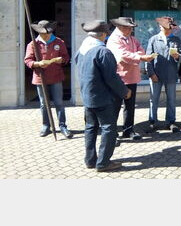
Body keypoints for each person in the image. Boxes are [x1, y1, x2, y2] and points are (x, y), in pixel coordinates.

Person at [75, 19, 131, 172]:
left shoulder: (81, 49)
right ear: (103, 34)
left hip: (87, 95)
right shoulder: (103, 51)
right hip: (102, 97)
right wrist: (124, 91)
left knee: (90, 128)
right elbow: (111, 77)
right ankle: (103, 162)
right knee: (109, 129)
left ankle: (90, 160)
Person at [106, 16, 154, 142]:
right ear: (120, 27)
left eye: (131, 28)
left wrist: (138, 55)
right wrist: (139, 57)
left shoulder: (132, 38)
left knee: (130, 106)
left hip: (132, 76)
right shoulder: (114, 39)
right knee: (115, 106)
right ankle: (112, 133)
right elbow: (122, 56)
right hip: (119, 77)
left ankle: (128, 130)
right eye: (128, 28)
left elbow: (141, 49)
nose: (130, 30)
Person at [24, 20, 72, 139]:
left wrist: (62, 60)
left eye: (48, 33)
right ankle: (46, 125)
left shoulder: (59, 42)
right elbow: (27, 61)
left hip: (56, 77)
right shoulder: (32, 44)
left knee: (59, 103)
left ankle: (62, 126)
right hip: (41, 78)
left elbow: (66, 57)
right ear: (39, 32)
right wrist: (37, 63)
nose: (46, 35)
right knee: (43, 104)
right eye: (43, 33)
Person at [145, 16, 181, 133]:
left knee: (171, 99)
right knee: (154, 99)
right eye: (167, 27)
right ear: (160, 27)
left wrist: (178, 57)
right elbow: (148, 58)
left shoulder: (176, 40)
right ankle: (153, 121)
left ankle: (170, 122)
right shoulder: (153, 39)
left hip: (171, 75)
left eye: (170, 28)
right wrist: (151, 73)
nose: (169, 30)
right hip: (156, 75)